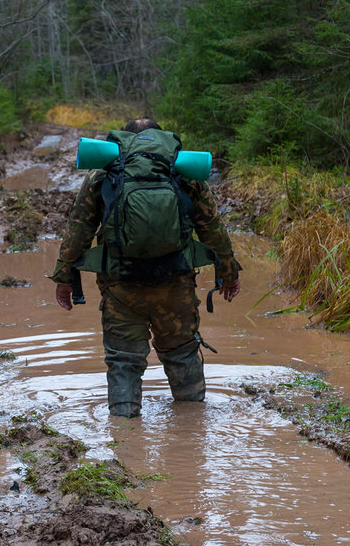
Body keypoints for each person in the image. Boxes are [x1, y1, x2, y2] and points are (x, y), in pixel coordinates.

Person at [49, 118, 242, 417]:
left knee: (124, 361)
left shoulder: (104, 174)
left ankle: (124, 440)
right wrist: (228, 274)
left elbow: (78, 231)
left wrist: (64, 278)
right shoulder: (184, 173)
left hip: (121, 287)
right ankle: (191, 433)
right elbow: (213, 230)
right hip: (175, 285)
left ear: (123, 140)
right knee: (182, 354)